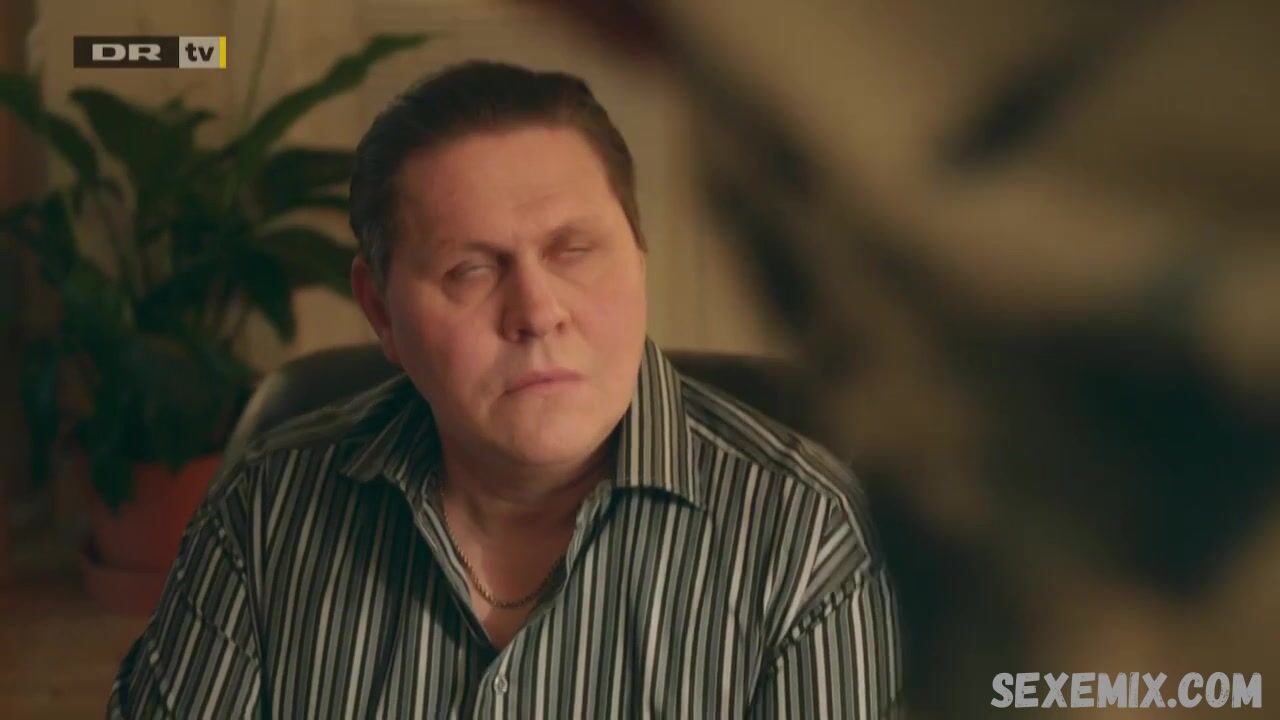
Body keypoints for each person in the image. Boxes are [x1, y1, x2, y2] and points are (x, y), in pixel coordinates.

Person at [108, 60, 900, 718]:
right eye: (471, 269)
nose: (538, 312)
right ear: (381, 311)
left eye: (573, 250)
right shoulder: (265, 508)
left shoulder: (806, 536)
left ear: (639, 255)